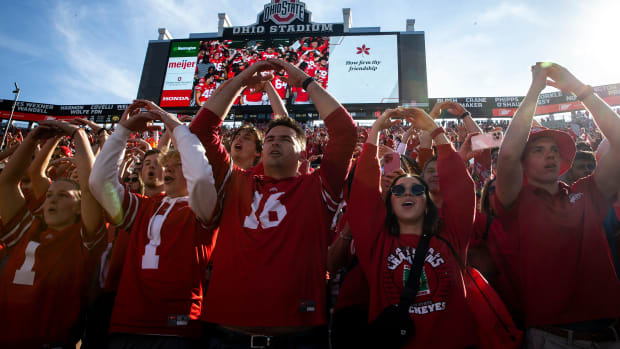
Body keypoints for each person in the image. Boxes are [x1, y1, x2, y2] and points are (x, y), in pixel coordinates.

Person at [189, 58, 356, 348]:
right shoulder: (234, 180)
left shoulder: (319, 187)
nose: (274, 142)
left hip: (298, 338)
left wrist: (304, 80)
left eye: (286, 139)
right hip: (225, 336)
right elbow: (202, 130)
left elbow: (345, 131)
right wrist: (241, 80)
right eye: (269, 138)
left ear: (303, 153)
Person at [494, 62, 620, 348]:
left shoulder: (588, 192)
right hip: (551, 338)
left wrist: (579, 89)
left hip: (609, 336)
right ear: (525, 162)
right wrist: (535, 89)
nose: (549, 156)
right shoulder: (516, 202)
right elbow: (509, 155)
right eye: (538, 150)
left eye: (554, 151)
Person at [88, 101, 218, 348]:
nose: (167, 170)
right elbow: (99, 182)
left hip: (176, 331)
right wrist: (122, 132)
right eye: (166, 166)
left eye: (176, 165)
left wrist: (176, 126)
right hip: (125, 325)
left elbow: (201, 177)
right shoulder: (144, 206)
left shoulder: (202, 207)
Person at [347, 107, 478, 348]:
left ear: (428, 201)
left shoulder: (451, 235)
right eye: (398, 190)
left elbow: (461, 185)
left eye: (418, 190)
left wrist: (435, 130)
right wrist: (375, 131)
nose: (408, 193)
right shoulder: (376, 244)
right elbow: (363, 193)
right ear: (389, 201)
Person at [0, 120, 106, 347]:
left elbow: (89, 187)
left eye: (63, 196)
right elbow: (6, 184)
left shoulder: (84, 240)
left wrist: (78, 134)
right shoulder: (26, 230)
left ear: (79, 207)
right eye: (49, 195)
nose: (52, 199)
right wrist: (33, 138)